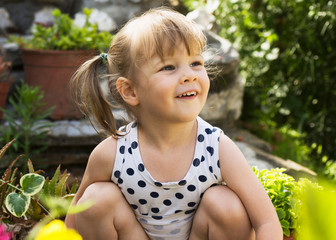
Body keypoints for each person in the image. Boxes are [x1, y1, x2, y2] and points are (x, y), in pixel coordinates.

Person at [65, 7, 283, 240]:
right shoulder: (113, 153)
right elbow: (73, 221)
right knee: (95, 199)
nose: (189, 75)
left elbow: (267, 221)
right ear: (130, 90)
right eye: (168, 67)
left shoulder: (216, 147)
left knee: (225, 203)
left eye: (196, 63)